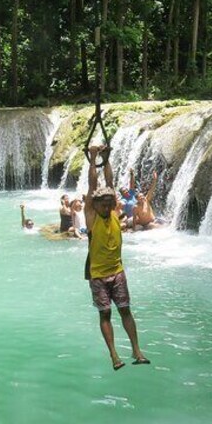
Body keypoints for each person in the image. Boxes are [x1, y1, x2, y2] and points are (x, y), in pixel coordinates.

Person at [84, 145, 150, 371]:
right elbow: (93, 185)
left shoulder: (113, 213)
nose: (106, 206)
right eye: (102, 203)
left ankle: (136, 350)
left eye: (108, 203)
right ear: (95, 205)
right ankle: (113, 354)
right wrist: (93, 158)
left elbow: (110, 184)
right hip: (99, 276)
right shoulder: (92, 217)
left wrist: (107, 157)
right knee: (106, 313)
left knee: (125, 310)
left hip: (117, 272)